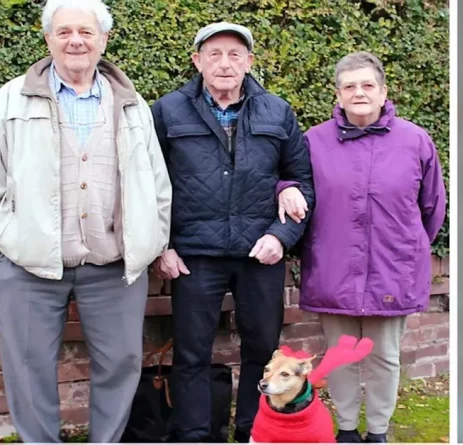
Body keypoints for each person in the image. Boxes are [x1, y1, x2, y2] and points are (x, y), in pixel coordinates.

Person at [0, 0, 172, 441]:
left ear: (103, 40)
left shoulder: (133, 104)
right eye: (64, 31)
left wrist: (151, 238)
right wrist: (9, 233)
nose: (75, 40)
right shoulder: (8, 99)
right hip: (29, 264)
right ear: (48, 39)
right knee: (27, 364)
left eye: (86, 31)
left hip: (113, 266)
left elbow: (157, 181)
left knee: (121, 363)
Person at [150, 22, 315, 443]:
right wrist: (161, 246)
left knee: (262, 352)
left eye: (235, 54)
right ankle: (194, 435)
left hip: (261, 252)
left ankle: (252, 432)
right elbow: (146, 182)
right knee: (190, 354)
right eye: (215, 53)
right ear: (197, 60)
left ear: (249, 62)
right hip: (193, 255)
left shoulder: (277, 112)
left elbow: (301, 179)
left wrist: (281, 236)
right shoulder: (168, 111)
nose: (225, 63)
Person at [277, 51, 447, 443]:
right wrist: (284, 189)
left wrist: (406, 248)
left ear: (383, 91)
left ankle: (379, 431)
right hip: (333, 266)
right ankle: (348, 429)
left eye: (367, 85)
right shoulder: (314, 141)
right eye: (349, 86)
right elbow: (290, 181)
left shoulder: (415, 140)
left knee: (384, 356)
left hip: (393, 270)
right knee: (340, 355)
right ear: (337, 95)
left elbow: (432, 207)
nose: (359, 93)